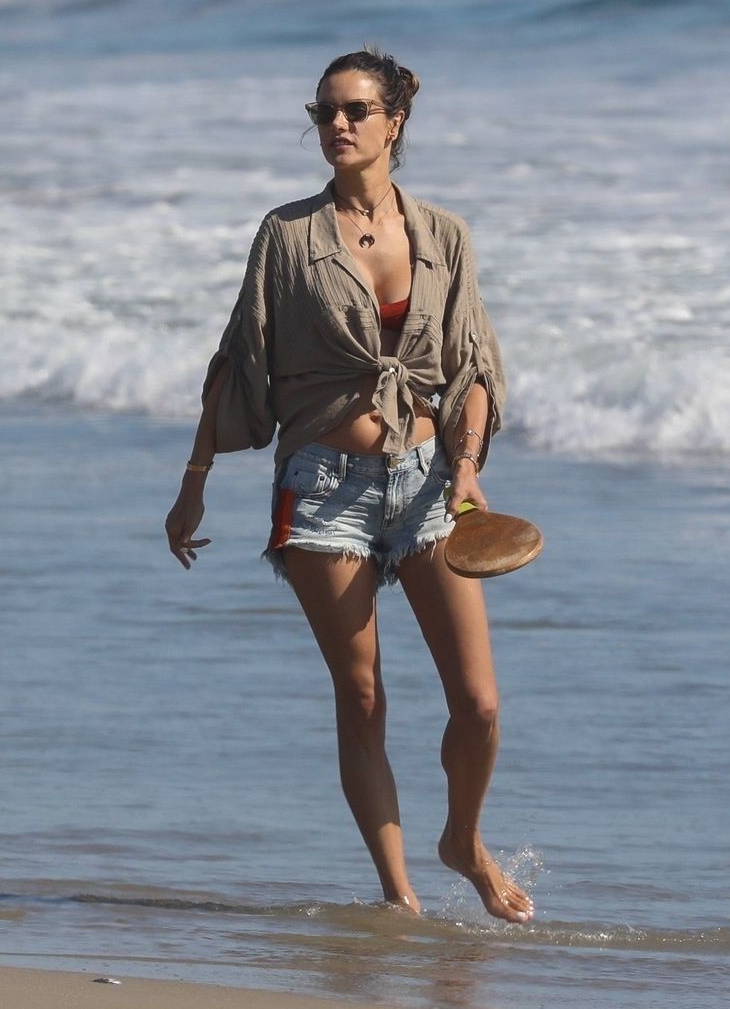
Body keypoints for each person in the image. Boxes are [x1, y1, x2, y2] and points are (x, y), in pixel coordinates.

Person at [164, 48, 532, 923]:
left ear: (394, 122)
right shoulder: (288, 235)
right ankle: (400, 895)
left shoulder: (444, 235)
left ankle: (463, 840)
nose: (336, 123)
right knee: (362, 694)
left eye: (355, 110)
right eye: (324, 110)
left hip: (428, 482)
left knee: (479, 703)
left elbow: (473, 366)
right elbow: (238, 358)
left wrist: (466, 468)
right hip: (323, 484)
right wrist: (194, 479)